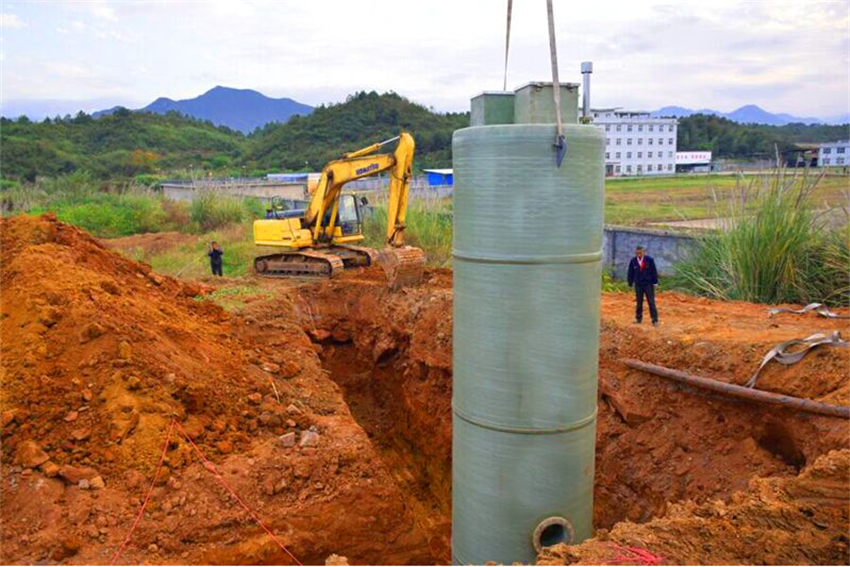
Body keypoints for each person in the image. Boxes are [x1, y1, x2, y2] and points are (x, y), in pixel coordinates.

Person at [627, 245, 659, 326]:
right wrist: (630, 283)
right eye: (637, 253)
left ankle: (655, 320)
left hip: (648, 284)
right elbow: (630, 272)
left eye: (640, 253)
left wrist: (655, 282)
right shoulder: (633, 261)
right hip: (638, 284)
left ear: (644, 252)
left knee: (651, 302)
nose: (639, 255)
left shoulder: (649, 260)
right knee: (639, 302)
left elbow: (654, 271)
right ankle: (638, 318)